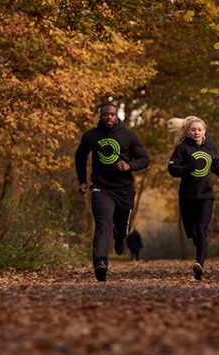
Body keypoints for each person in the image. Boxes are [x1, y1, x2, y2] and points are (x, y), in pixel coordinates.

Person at [75, 101, 150, 282]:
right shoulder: (91, 136)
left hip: (124, 189)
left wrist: (129, 166)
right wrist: (83, 181)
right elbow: (80, 157)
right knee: (103, 223)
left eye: (112, 114)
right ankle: (100, 262)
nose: (108, 117)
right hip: (101, 187)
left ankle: (120, 236)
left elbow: (144, 159)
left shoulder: (129, 136)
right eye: (105, 114)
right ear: (100, 116)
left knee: (123, 227)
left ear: (117, 116)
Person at [167, 116, 219, 280]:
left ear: (204, 131)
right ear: (188, 132)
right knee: (191, 232)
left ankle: (199, 265)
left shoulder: (209, 146)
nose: (196, 132)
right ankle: (197, 244)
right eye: (193, 130)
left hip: (206, 195)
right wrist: (188, 168)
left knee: (202, 230)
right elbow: (173, 170)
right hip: (187, 196)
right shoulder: (182, 148)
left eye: (199, 129)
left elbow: (216, 165)